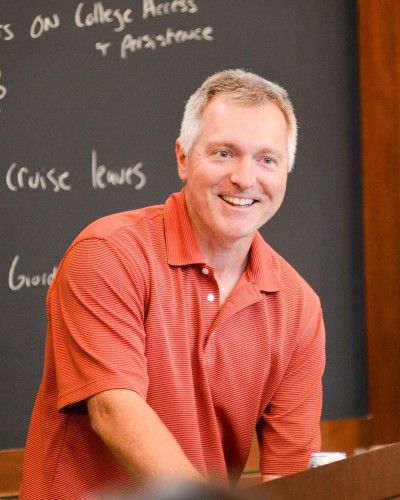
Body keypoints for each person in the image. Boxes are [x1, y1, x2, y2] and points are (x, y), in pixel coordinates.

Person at [20, 69, 325, 499]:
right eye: (223, 153)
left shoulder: (300, 308)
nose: (244, 177)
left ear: (286, 173)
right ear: (183, 158)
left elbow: (291, 473)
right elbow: (114, 411)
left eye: (267, 159)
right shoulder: (108, 253)